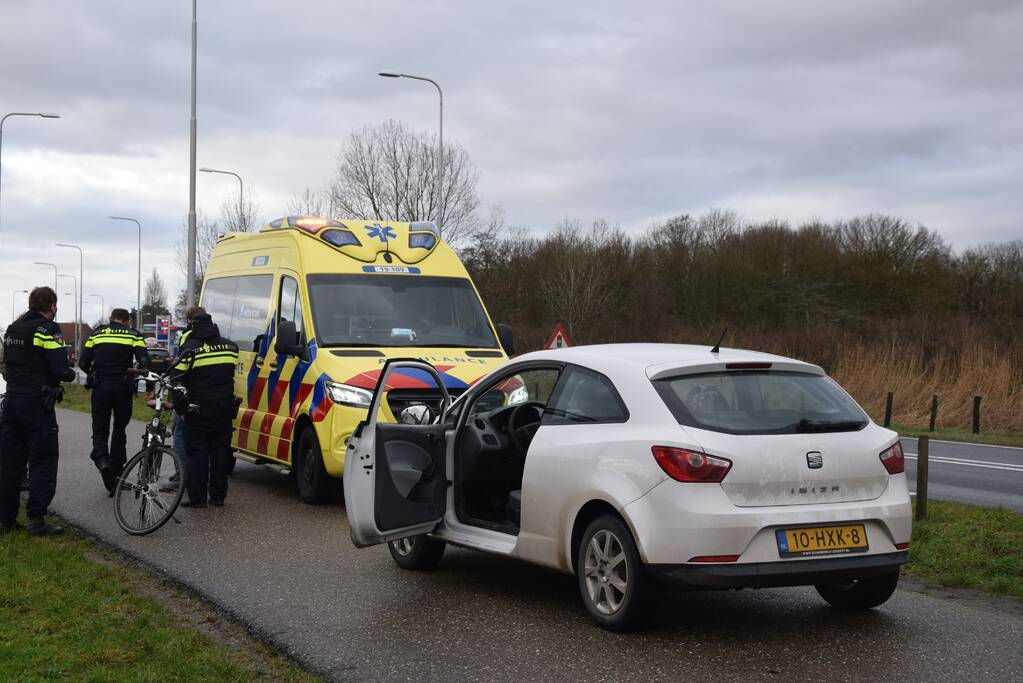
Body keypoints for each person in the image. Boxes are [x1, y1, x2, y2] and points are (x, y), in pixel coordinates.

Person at [0, 287, 76, 535]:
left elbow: (6, 364)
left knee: (10, 463)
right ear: (51, 305)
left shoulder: (14, 328)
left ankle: (6, 519)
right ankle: (36, 519)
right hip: (36, 402)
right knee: (42, 459)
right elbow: (59, 367)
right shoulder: (48, 329)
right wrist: (68, 373)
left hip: (12, 401)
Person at [168, 312, 238, 508]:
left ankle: (198, 498)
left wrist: (181, 409)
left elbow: (177, 380)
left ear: (194, 327)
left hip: (198, 409)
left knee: (198, 453)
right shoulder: (231, 347)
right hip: (224, 408)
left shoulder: (190, 349)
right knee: (220, 453)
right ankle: (218, 497)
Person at [79, 308, 149, 494]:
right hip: (123, 388)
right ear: (127, 321)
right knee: (119, 430)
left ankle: (102, 461)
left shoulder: (97, 333)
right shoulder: (133, 334)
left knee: (100, 430)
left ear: (111, 319)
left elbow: (83, 363)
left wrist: (93, 374)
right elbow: (144, 361)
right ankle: (117, 475)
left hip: (101, 387)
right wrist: (148, 388)